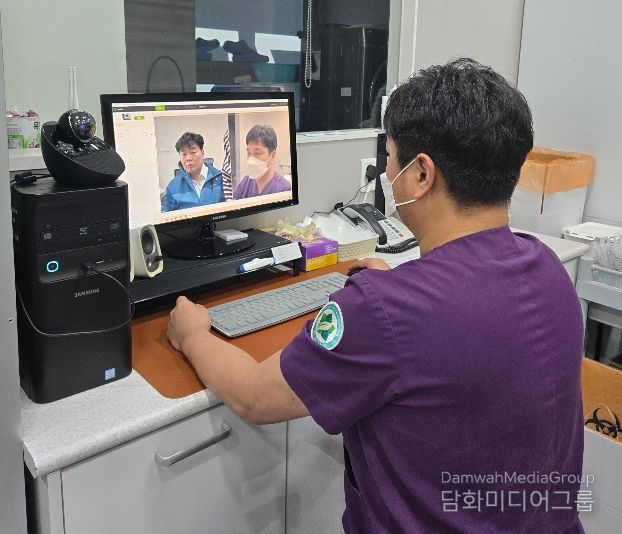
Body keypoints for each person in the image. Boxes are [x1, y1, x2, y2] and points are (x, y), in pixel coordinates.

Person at [167, 58, 585, 533]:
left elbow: (254, 398)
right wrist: (395, 287)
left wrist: (193, 334)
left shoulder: (383, 310)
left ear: (422, 174)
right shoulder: (547, 266)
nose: (388, 172)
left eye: (389, 157)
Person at [162, 132, 224, 211]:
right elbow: (166, 216)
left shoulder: (220, 179)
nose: (188, 158)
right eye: (184, 154)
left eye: (193, 152)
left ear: (202, 152)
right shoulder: (173, 187)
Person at [232, 124, 291, 199]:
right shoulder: (246, 183)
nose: (251, 160)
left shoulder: (284, 190)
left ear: (272, 155)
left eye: (257, 153)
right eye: (249, 153)